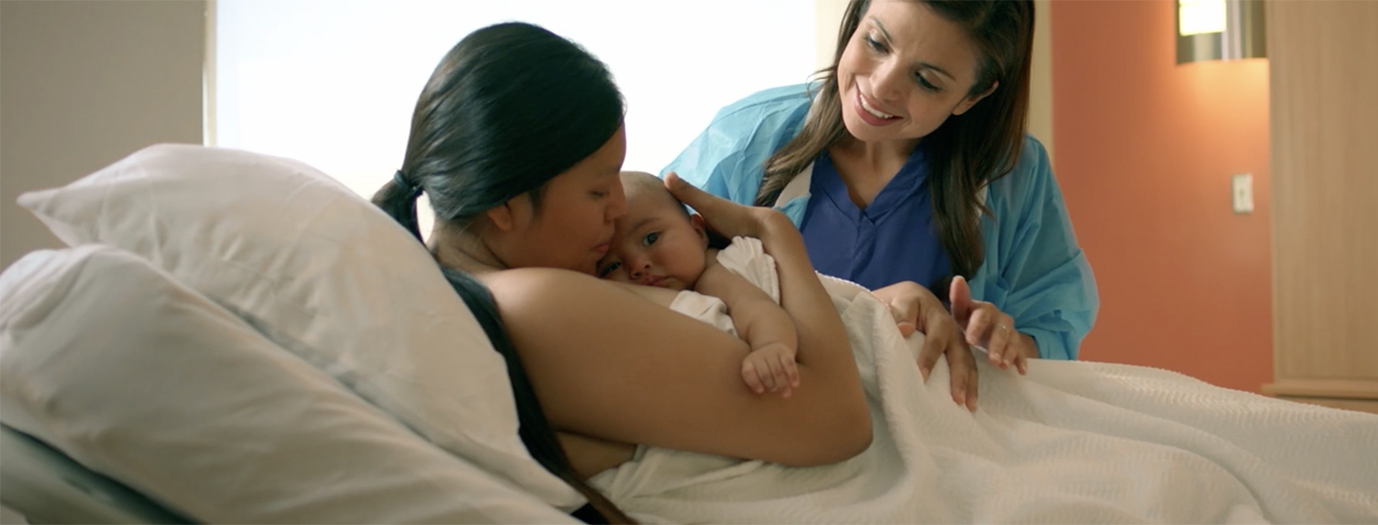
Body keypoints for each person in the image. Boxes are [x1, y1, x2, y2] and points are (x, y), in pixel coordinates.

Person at [372, 22, 871, 524]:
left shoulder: (445, 288)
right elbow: (840, 424)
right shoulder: (539, 306)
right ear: (505, 203)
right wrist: (777, 234)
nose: (617, 209)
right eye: (598, 189)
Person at [663, 0, 1100, 411]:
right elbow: (649, 285)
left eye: (926, 80)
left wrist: (1003, 343)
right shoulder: (747, 139)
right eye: (876, 43)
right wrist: (862, 311)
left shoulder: (1012, 174)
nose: (880, 86)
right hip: (759, 419)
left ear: (974, 95)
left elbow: (1052, 327)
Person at [597, 171, 801, 398]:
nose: (637, 265)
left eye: (650, 238)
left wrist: (769, 346)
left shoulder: (714, 273)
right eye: (611, 266)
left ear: (697, 232)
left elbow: (756, 308)